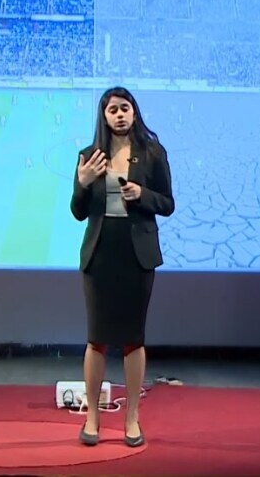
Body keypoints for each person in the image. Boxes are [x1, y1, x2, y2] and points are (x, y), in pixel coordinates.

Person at [70, 86, 175, 448]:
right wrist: (83, 184)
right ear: (103, 115)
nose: (119, 114)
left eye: (124, 108)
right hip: (100, 256)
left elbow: (167, 203)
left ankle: (132, 418)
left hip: (136, 256)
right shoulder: (89, 157)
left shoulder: (153, 153)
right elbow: (78, 211)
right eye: (112, 109)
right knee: (96, 339)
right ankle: (92, 418)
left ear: (134, 112)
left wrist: (142, 195)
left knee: (133, 339)